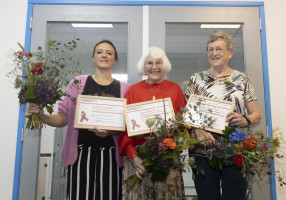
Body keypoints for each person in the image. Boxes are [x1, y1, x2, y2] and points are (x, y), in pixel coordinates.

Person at [25, 39, 130, 200]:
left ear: (115, 60)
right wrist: (42, 116)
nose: (104, 55)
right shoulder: (77, 83)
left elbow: (128, 125)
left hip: (111, 156)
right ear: (93, 58)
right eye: (99, 52)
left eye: (109, 53)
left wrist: (111, 131)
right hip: (81, 154)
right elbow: (63, 118)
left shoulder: (125, 88)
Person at [185, 31, 261, 200]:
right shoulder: (196, 79)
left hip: (235, 148)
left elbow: (256, 114)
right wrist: (197, 131)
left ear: (230, 53)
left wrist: (245, 119)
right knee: (206, 196)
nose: (214, 53)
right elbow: (186, 115)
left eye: (219, 49)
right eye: (210, 49)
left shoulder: (242, 79)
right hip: (203, 149)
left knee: (235, 196)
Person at [119, 47, 186, 199]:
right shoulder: (133, 90)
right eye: (150, 63)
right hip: (138, 158)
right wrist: (134, 156)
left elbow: (184, 126)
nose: (154, 67)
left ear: (165, 66)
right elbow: (125, 129)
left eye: (158, 63)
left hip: (167, 158)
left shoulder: (175, 89)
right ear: (144, 66)